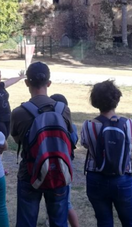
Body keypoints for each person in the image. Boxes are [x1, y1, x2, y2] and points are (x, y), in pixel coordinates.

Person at [10, 62, 72, 227]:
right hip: (58, 171)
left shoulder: (18, 113)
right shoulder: (63, 109)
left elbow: (19, 141)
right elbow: (70, 140)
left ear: (27, 83)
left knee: (26, 223)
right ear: (49, 83)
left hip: (30, 173)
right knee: (59, 222)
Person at [80, 80, 132, 227]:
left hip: (95, 177)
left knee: (104, 221)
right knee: (130, 222)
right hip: (122, 177)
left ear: (95, 101)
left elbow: (86, 144)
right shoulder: (128, 124)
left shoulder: (88, 125)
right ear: (116, 99)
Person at [50, 93, 80, 227]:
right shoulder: (71, 125)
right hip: (66, 165)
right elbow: (75, 141)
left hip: (59, 166)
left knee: (65, 203)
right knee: (60, 200)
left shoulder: (51, 124)